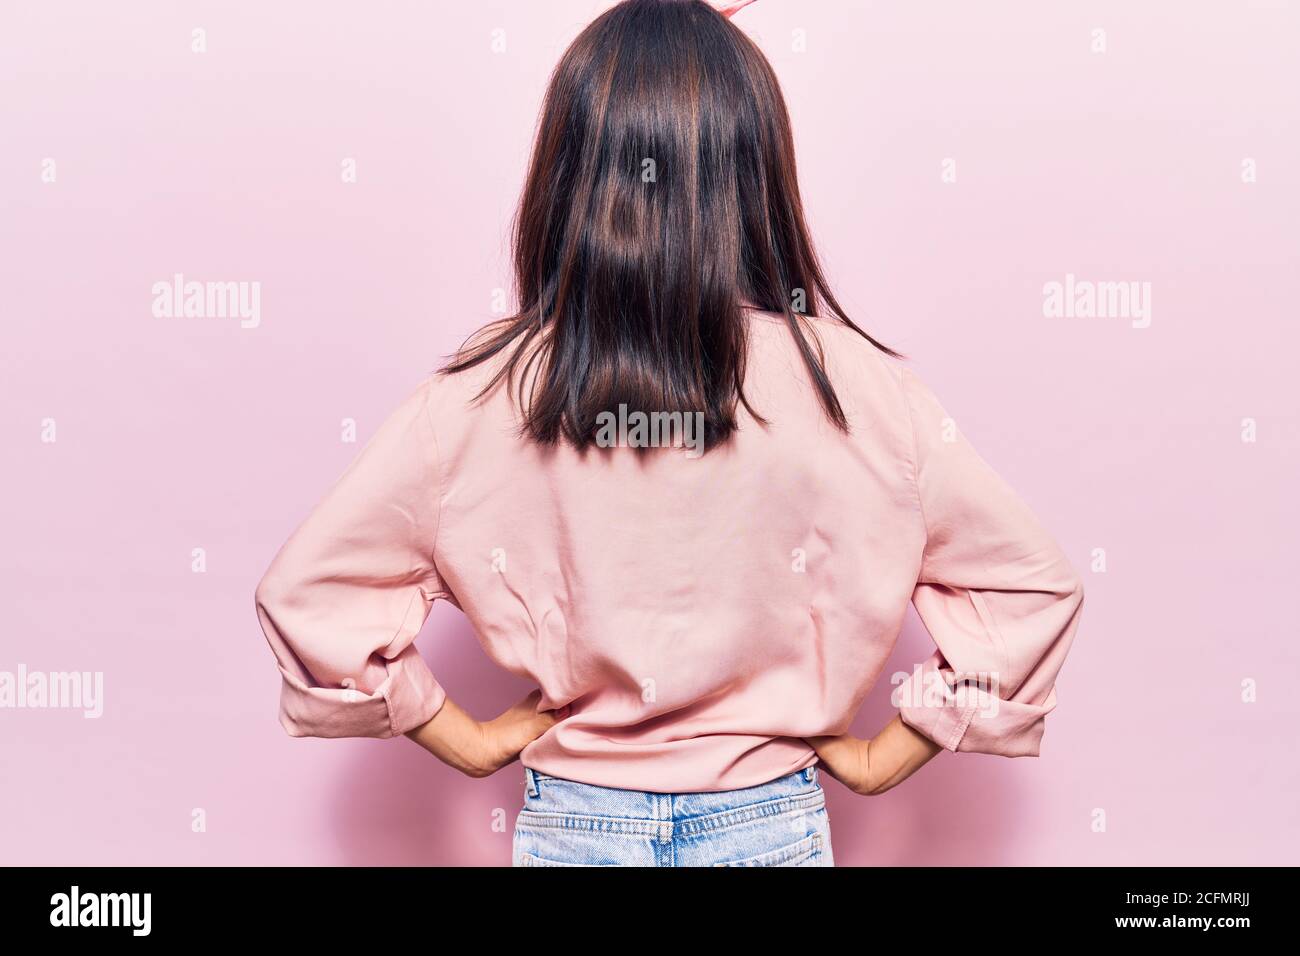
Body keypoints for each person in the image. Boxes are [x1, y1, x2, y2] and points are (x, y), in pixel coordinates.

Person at [254, 0, 1085, 867]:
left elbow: (309, 594)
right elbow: (1032, 589)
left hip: (575, 828)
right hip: (768, 825)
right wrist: (894, 751)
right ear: (754, 167)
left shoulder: (486, 393)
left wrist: (460, 737)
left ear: (570, 171)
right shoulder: (856, 387)